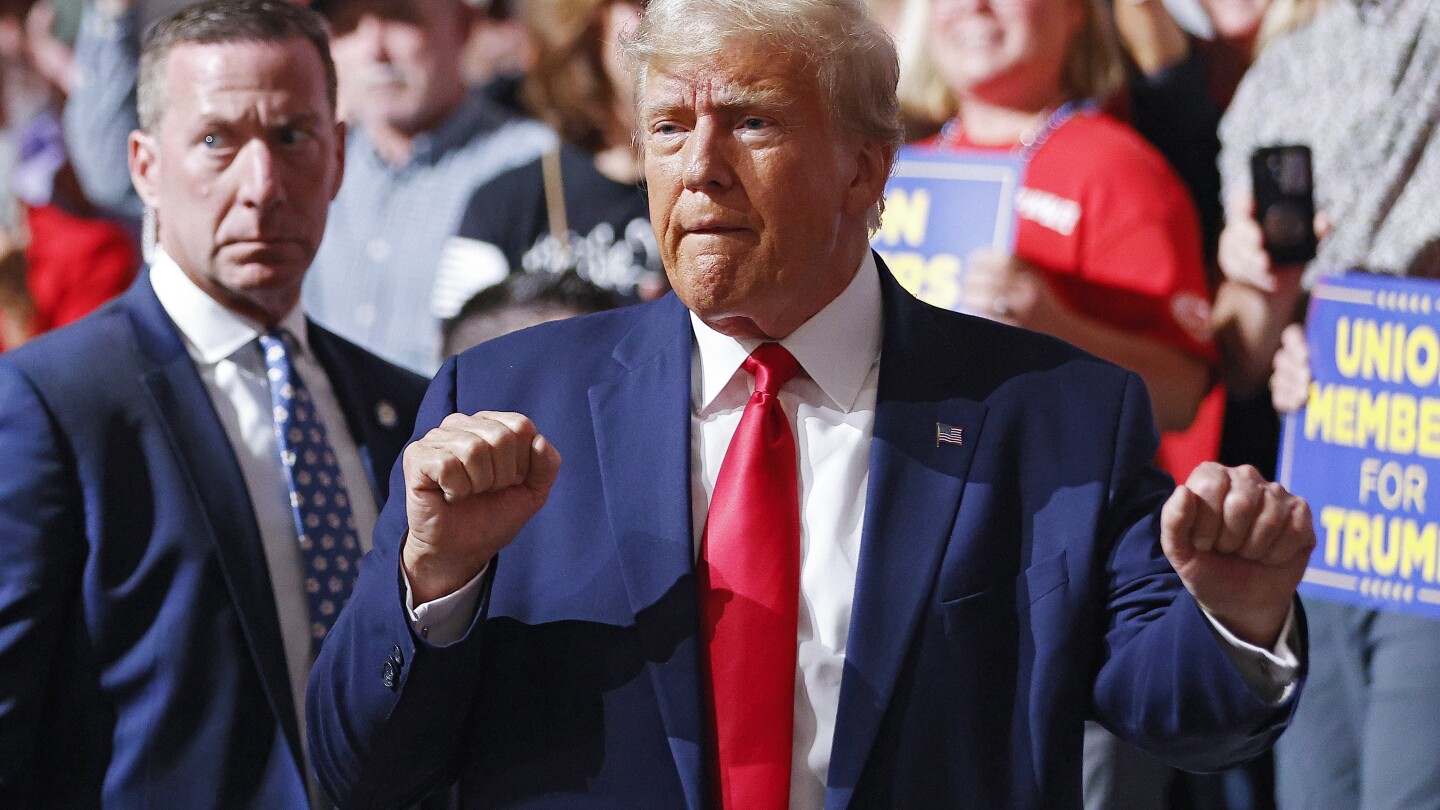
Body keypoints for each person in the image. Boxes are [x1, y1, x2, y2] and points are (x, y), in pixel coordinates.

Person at [307, 0, 1312, 807]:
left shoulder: (1049, 417)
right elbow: (358, 767)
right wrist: (433, 581)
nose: (698, 167)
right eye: (667, 127)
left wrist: (1239, 619)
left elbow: (1185, 715)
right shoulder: (512, 396)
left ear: (865, 167)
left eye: (750, 121)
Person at [0, 2, 427, 805]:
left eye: (293, 137)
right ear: (143, 167)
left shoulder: (397, 404)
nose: (261, 185)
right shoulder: (53, 405)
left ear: (338, 157)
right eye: (215, 141)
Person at [1211, 2, 1440, 808]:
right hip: (1324, 495)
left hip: (1427, 502)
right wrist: (1272, 298)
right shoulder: (1276, 80)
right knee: (1315, 788)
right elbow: (1241, 355)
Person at [300, 0, 555, 374]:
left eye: (401, 16)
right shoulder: (310, 166)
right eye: (347, 26)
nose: (375, 50)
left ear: (464, 26)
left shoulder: (535, 166)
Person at [431, 0, 663, 325]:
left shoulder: (715, 181)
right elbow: (458, 357)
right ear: (582, 27)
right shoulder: (505, 202)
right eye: (644, 5)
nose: (673, 18)